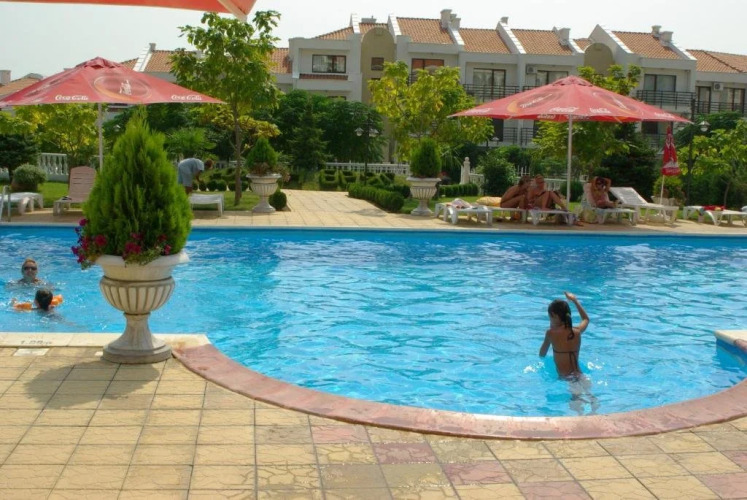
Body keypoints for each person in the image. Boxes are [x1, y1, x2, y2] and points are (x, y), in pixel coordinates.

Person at [539, 291, 589, 378]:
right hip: (580, 374)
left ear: (554, 316)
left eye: (549, 317)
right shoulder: (577, 331)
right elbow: (586, 319)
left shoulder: (550, 333)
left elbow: (542, 354)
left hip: (565, 377)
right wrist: (574, 300)